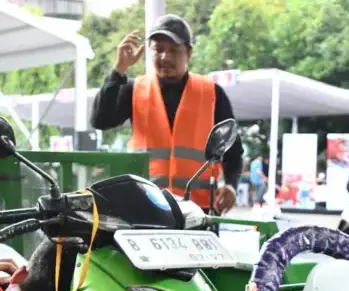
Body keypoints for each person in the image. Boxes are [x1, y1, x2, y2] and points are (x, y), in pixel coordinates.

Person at [90, 14, 243, 214]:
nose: (165, 57)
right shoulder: (133, 90)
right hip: (144, 207)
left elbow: (233, 150)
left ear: (189, 52)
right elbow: (100, 120)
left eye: (174, 50)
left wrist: (231, 185)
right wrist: (119, 69)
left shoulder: (212, 93)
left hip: (197, 211)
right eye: (158, 49)